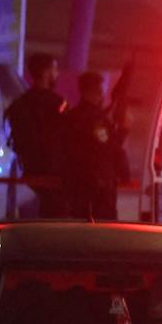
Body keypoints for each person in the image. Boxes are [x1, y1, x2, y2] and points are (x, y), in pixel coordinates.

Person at [4, 53, 67, 217]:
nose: (57, 74)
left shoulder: (19, 105)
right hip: (54, 178)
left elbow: (13, 139)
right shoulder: (58, 104)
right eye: (55, 69)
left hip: (27, 175)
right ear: (46, 72)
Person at [61, 71, 126, 220]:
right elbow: (108, 147)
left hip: (75, 184)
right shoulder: (97, 120)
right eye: (102, 90)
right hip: (97, 187)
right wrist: (123, 131)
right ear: (96, 91)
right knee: (104, 230)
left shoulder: (70, 117)